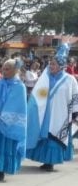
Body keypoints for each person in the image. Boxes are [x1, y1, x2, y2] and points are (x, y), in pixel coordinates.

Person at [26, 44, 78, 172]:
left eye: (54, 64)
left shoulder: (70, 79)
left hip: (61, 113)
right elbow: (39, 93)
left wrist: (74, 113)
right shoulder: (46, 78)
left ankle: (51, 161)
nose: (51, 66)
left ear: (61, 66)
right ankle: (46, 160)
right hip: (46, 112)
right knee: (45, 135)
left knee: (54, 135)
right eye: (50, 64)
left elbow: (75, 97)